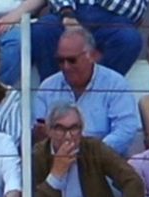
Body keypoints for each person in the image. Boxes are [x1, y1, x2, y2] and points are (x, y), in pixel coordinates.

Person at [34, 28, 142, 156]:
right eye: (60, 60)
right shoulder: (47, 87)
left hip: (103, 161)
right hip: (58, 160)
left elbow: (125, 131)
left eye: (72, 60)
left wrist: (90, 153)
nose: (66, 66)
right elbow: (39, 133)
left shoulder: (116, 84)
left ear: (92, 56)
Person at [33, 99, 144, 197]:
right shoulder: (38, 155)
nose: (68, 136)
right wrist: (55, 175)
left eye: (74, 128)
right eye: (60, 129)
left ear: (82, 129)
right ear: (49, 131)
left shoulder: (94, 148)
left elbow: (133, 181)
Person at [31, 0, 144, 81]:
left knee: (129, 39)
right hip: (69, 11)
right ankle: (54, 92)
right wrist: (67, 13)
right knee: (43, 29)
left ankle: (94, 94)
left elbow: (134, 9)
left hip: (113, 21)